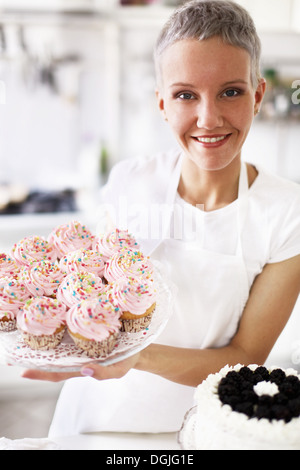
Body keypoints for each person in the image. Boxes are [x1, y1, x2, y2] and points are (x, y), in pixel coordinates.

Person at [23, 0, 300, 436]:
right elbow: (89, 298)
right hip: (93, 421)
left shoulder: (286, 214)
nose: (208, 118)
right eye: (186, 95)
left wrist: (140, 358)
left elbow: (246, 356)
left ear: (258, 95)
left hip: (195, 431)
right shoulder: (130, 183)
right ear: (162, 104)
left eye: (230, 91)